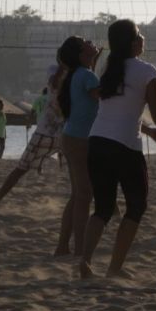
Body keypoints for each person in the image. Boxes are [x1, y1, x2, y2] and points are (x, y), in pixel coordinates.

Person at [79, 19, 156, 279]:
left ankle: (85, 262)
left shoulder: (110, 69)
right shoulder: (146, 71)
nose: (143, 38)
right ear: (134, 43)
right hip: (124, 148)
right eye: (139, 35)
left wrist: (153, 132)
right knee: (136, 207)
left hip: (97, 143)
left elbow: (123, 113)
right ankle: (114, 268)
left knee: (102, 208)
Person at [0, 66, 66, 211]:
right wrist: (64, 63)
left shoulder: (73, 79)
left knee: (83, 171)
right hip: (45, 133)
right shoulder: (55, 79)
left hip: (65, 133)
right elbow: (53, 83)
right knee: (21, 168)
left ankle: (112, 208)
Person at [58, 35, 102, 256]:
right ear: (81, 53)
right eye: (86, 41)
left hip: (71, 138)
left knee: (78, 194)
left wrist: (95, 63)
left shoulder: (80, 73)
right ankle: (79, 250)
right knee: (84, 195)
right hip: (80, 141)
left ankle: (63, 246)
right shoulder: (86, 75)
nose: (91, 40)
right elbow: (104, 96)